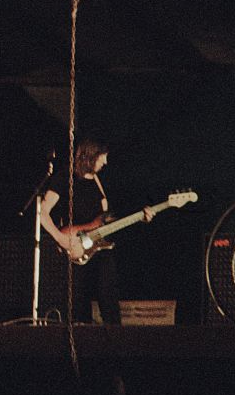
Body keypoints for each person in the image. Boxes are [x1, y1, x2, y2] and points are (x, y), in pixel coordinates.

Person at [39, 139, 152, 324]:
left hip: (102, 247)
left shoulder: (101, 180)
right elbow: (43, 213)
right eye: (102, 157)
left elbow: (108, 218)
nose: (105, 162)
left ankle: (114, 339)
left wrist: (140, 216)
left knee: (109, 300)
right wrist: (60, 238)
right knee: (77, 306)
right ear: (91, 155)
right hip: (76, 246)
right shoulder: (65, 177)